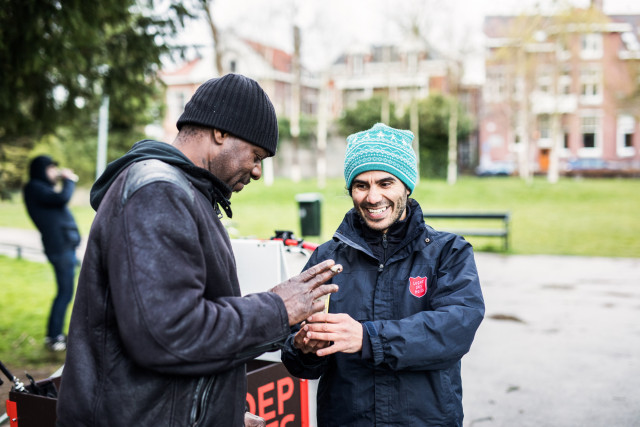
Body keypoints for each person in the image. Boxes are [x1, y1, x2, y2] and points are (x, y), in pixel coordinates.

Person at [56, 74, 341, 426]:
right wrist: (279, 308)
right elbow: (168, 335)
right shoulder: (157, 193)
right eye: (256, 155)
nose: (256, 172)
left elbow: (190, 334)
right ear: (220, 132)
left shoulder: (188, 194)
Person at [281, 123, 485, 426]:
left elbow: (455, 329)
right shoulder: (327, 257)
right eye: (361, 185)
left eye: (385, 183)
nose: (373, 197)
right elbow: (297, 356)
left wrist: (367, 338)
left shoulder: (448, 252)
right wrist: (304, 348)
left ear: (407, 186)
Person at [23, 155, 81, 352]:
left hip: (65, 247)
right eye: (50, 168)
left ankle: (55, 334)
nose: (54, 172)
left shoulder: (41, 189)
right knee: (65, 293)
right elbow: (62, 198)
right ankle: (54, 336)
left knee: (66, 292)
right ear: (41, 170)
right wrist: (69, 180)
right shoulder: (34, 188)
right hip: (60, 248)